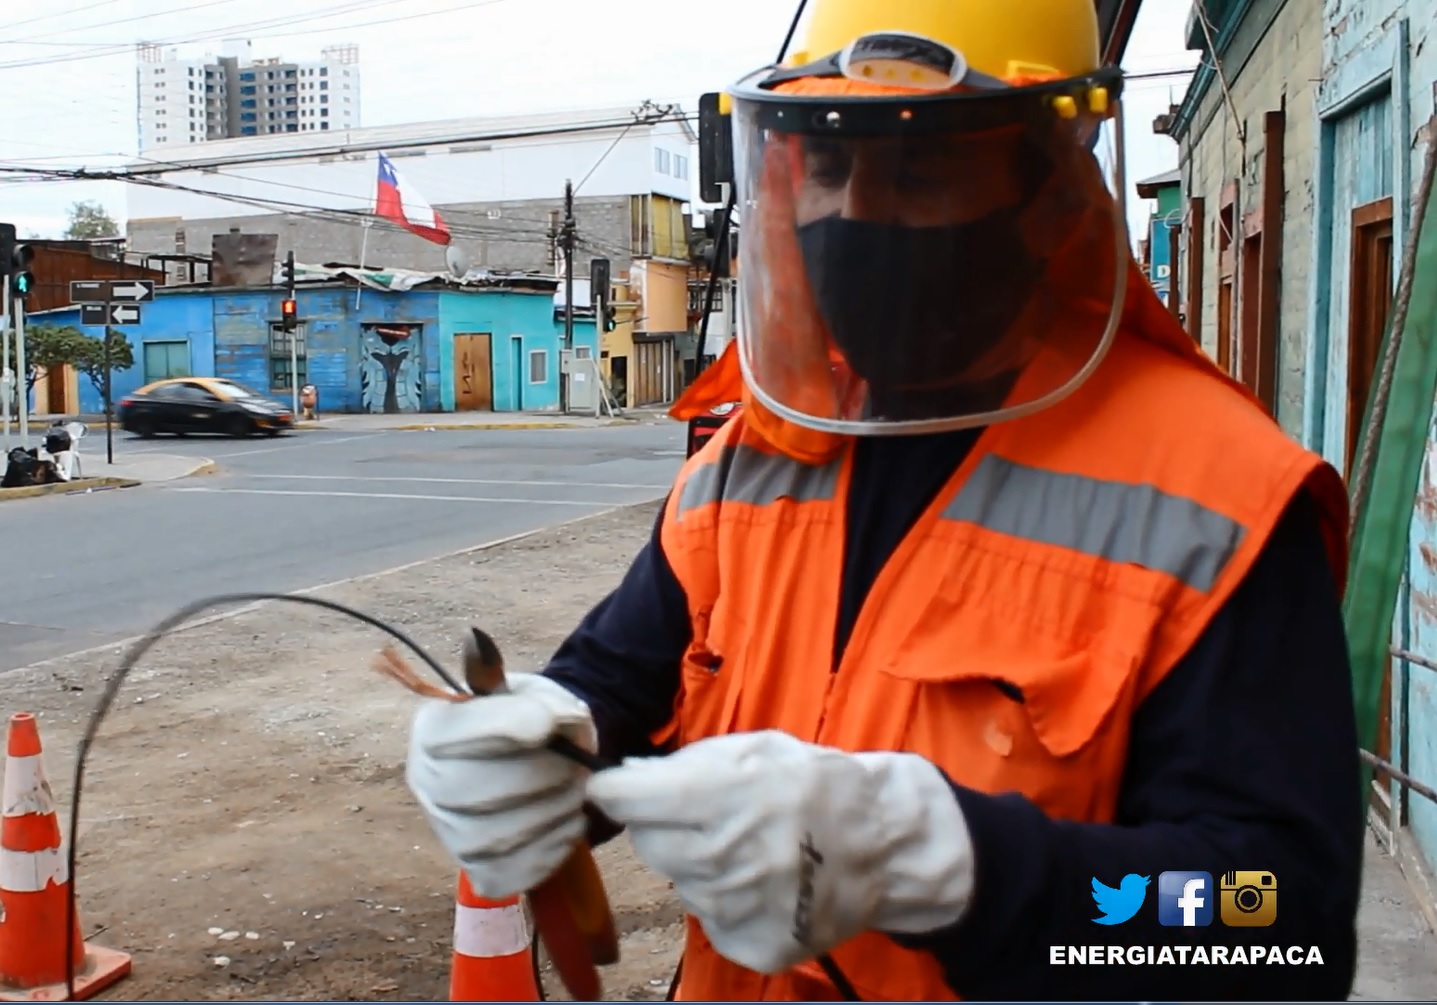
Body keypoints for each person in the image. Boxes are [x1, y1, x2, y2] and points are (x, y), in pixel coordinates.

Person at [404, 0, 1365, 999]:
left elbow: (1273, 926)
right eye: (828, 163)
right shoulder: (749, 461)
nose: (853, 213)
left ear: (1050, 187)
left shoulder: (1221, 501)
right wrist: (538, 741)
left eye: (918, 164)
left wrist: (959, 868)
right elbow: (617, 680)